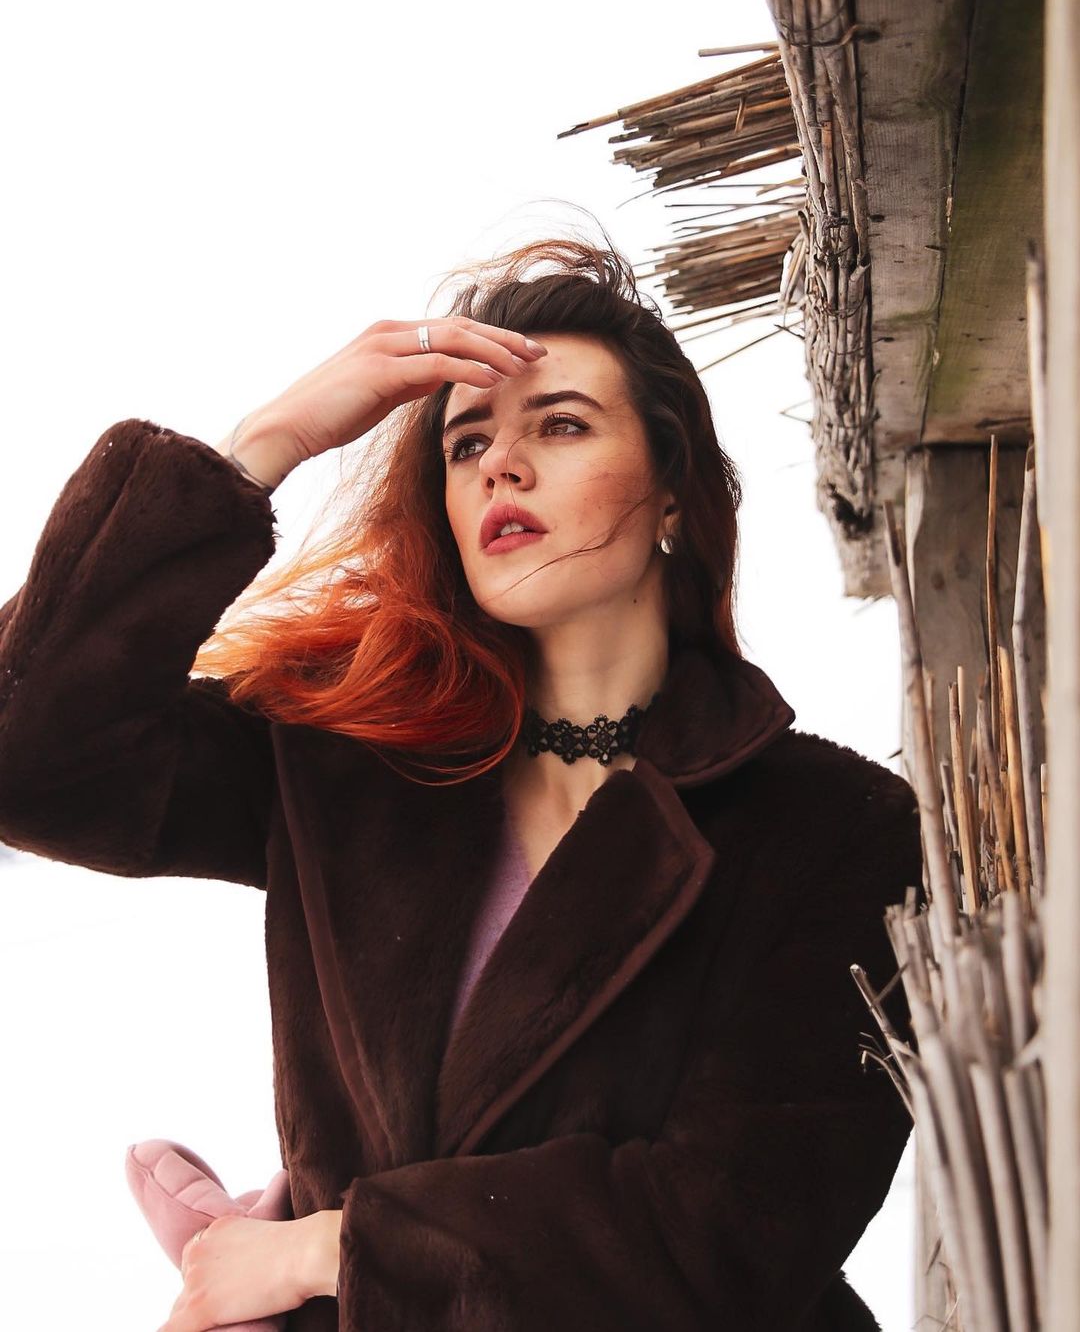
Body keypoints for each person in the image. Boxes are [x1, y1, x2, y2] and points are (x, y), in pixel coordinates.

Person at [0, 234, 924, 1332]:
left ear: (674, 492)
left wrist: (331, 1249)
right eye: (467, 441)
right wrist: (264, 447)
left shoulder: (837, 829)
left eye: (562, 425)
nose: (501, 466)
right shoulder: (345, 762)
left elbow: (730, 1231)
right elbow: (32, 762)